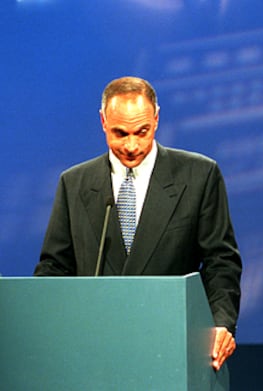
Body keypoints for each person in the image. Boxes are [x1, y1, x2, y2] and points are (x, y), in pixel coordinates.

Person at [34, 76, 242, 371]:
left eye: (142, 132)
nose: (132, 145)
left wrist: (221, 323)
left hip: (173, 345)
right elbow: (53, 268)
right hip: (92, 349)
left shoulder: (199, 175)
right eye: (120, 133)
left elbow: (221, 262)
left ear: (156, 120)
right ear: (103, 122)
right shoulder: (75, 183)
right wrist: (50, 329)